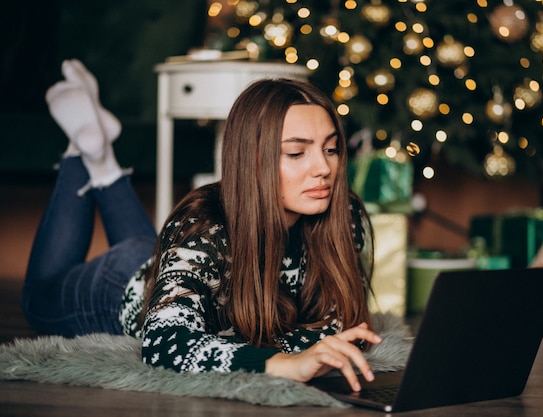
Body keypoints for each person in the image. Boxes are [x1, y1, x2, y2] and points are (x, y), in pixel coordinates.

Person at [22, 59, 381, 392]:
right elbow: (165, 344)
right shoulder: (203, 225)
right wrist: (285, 362)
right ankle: (79, 151)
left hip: (169, 260)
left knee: (151, 246)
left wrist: (306, 343)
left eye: (331, 149)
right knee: (37, 299)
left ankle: (101, 157)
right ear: (252, 160)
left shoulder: (342, 215)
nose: (323, 168)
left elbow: (340, 326)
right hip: (118, 285)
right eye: (296, 152)